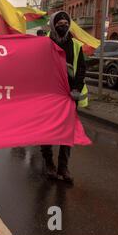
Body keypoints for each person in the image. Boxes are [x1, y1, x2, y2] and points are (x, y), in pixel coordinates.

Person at [41, 11, 88, 185]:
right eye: (59, 23)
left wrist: (76, 87)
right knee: (47, 130)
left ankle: (63, 167)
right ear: (53, 24)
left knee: (67, 131)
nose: (63, 25)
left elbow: (82, 68)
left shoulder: (75, 45)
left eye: (66, 23)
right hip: (49, 95)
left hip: (69, 95)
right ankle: (48, 163)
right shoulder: (44, 43)